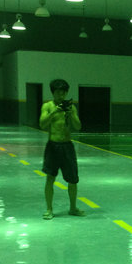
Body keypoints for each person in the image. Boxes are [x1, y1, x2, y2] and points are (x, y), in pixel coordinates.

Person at [39, 78, 85, 219]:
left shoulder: (71, 108)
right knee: (50, 178)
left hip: (67, 146)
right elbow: (42, 124)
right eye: (59, 92)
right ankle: (49, 209)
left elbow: (78, 126)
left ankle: (73, 208)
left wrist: (70, 114)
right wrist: (54, 112)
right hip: (53, 146)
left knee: (73, 180)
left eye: (64, 92)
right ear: (53, 92)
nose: (61, 95)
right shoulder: (47, 106)